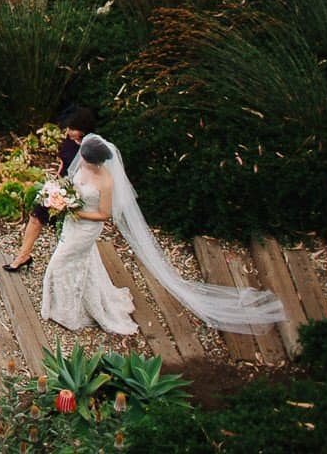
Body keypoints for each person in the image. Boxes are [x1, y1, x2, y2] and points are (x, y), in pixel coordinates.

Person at [41, 135, 283, 335]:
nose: (80, 159)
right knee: (81, 262)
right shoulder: (83, 165)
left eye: (84, 156)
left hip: (86, 226)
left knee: (60, 261)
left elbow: (104, 214)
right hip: (74, 223)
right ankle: (71, 302)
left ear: (94, 160)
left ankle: (69, 310)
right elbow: (72, 184)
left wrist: (76, 211)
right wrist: (61, 195)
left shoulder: (106, 181)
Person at [7, 107, 95, 272]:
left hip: (75, 191)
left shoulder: (91, 147)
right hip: (58, 186)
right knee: (36, 217)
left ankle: (68, 266)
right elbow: (62, 162)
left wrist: (72, 196)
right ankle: (23, 255)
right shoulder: (69, 140)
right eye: (68, 127)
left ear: (83, 129)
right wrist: (53, 183)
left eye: (73, 129)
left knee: (65, 229)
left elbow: (92, 176)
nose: (68, 131)